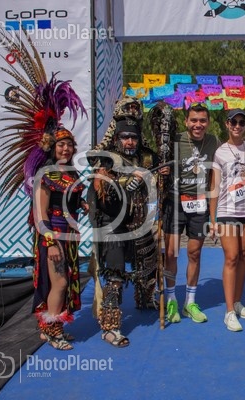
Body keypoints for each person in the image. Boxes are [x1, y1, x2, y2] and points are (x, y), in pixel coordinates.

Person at [88, 116, 160, 347]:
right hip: (113, 225)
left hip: (140, 221)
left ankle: (145, 298)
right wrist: (124, 183)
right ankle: (110, 326)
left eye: (133, 137)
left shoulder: (145, 157)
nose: (130, 142)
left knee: (149, 264)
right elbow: (102, 192)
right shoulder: (106, 160)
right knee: (115, 274)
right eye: (125, 137)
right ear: (117, 138)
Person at [162, 102, 221, 324]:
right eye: (194, 120)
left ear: (208, 123)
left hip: (199, 204)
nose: (198, 124)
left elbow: (232, 153)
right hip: (174, 202)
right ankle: (171, 299)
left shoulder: (214, 142)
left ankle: (190, 302)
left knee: (194, 253)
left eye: (202, 121)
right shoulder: (174, 140)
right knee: (171, 253)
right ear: (186, 121)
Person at [33, 128, 87, 350]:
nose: (66, 149)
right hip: (53, 235)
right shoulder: (45, 174)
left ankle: (50, 328)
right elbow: (40, 214)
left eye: (69, 145)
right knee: (60, 283)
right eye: (61, 145)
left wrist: (82, 204)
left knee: (66, 281)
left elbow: (68, 199)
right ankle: (53, 332)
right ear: (52, 147)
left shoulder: (71, 173)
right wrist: (51, 243)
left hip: (69, 236)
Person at [209, 109, 245, 331]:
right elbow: (214, 187)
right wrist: (213, 219)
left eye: (242, 122)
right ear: (227, 124)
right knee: (231, 257)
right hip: (227, 210)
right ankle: (229, 311)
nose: (237, 126)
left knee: (244, 256)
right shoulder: (220, 152)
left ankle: (237, 302)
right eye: (234, 122)